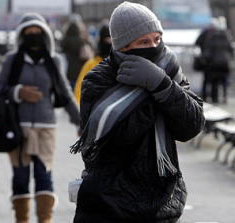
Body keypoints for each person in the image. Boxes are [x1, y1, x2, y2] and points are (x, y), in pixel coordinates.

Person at [70, 2, 205, 223]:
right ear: (123, 46)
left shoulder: (169, 71)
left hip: (163, 204)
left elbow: (192, 125)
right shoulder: (98, 79)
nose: (154, 47)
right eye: (144, 42)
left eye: (157, 39)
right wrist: (153, 92)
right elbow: (119, 137)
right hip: (109, 207)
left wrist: (163, 85)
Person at [0, 13, 80, 223]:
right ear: (22, 35)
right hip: (18, 127)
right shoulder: (12, 60)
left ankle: (44, 220)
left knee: (44, 176)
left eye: (37, 31)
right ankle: (21, 219)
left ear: (45, 34)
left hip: (45, 128)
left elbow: (66, 93)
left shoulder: (54, 61)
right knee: (21, 177)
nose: (33, 35)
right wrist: (18, 92)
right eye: (29, 31)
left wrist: (80, 122)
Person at [195, 17, 233, 103]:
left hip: (212, 62)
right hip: (225, 62)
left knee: (212, 81)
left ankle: (212, 98)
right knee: (223, 81)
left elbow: (204, 47)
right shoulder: (226, 36)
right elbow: (230, 49)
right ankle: (224, 98)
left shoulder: (210, 36)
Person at [74, 22, 111, 106]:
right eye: (106, 39)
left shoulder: (122, 64)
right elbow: (80, 88)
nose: (109, 42)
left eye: (111, 38)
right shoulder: (90, 65)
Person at [61, 14, 93, 90]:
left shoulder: (66, 39)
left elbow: (62, 49)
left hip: (70, 69)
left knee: (71, 88)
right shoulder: (82, 39)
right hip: (81, 67)